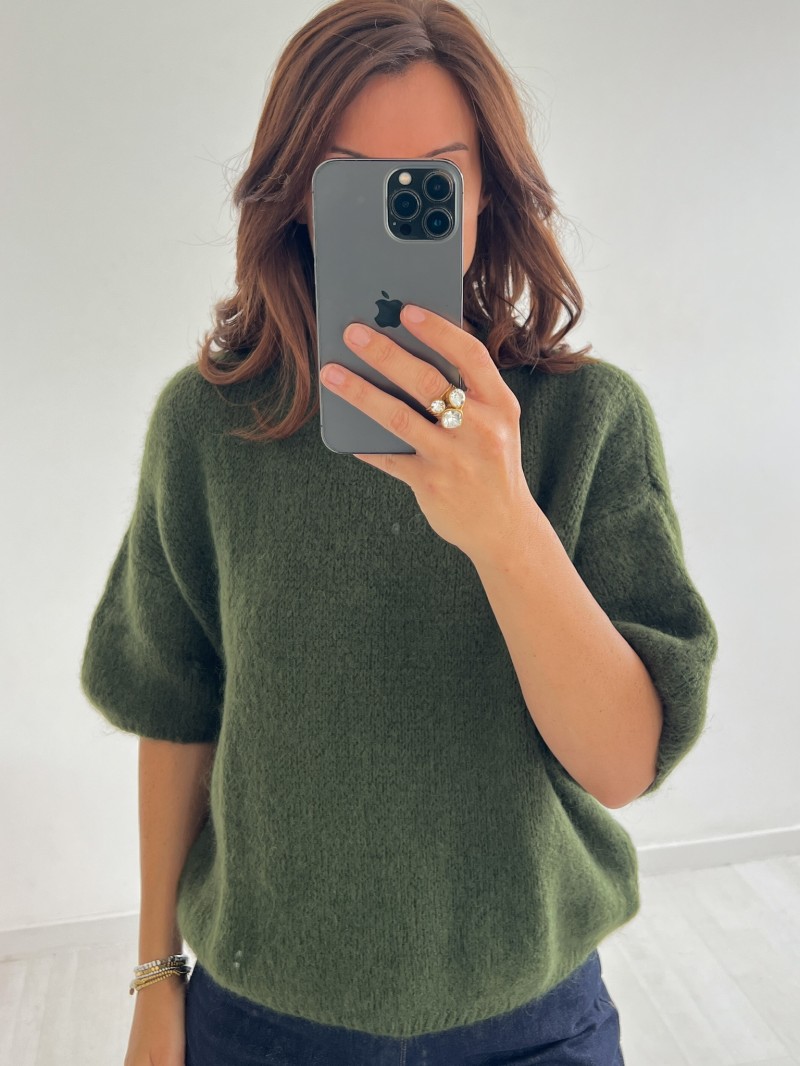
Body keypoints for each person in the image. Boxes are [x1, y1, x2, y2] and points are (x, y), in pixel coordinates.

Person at [79, 2, 719, 1064]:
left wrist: (505, 525)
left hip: (531, 1018)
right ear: (297, 196)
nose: (391, 210)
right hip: (259, 1016)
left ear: (485, 192)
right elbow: (176, 707)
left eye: (428, 182)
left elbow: (618, 765)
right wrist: (155, 976)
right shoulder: (208, 428)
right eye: (351, 180)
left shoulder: (586, 420)